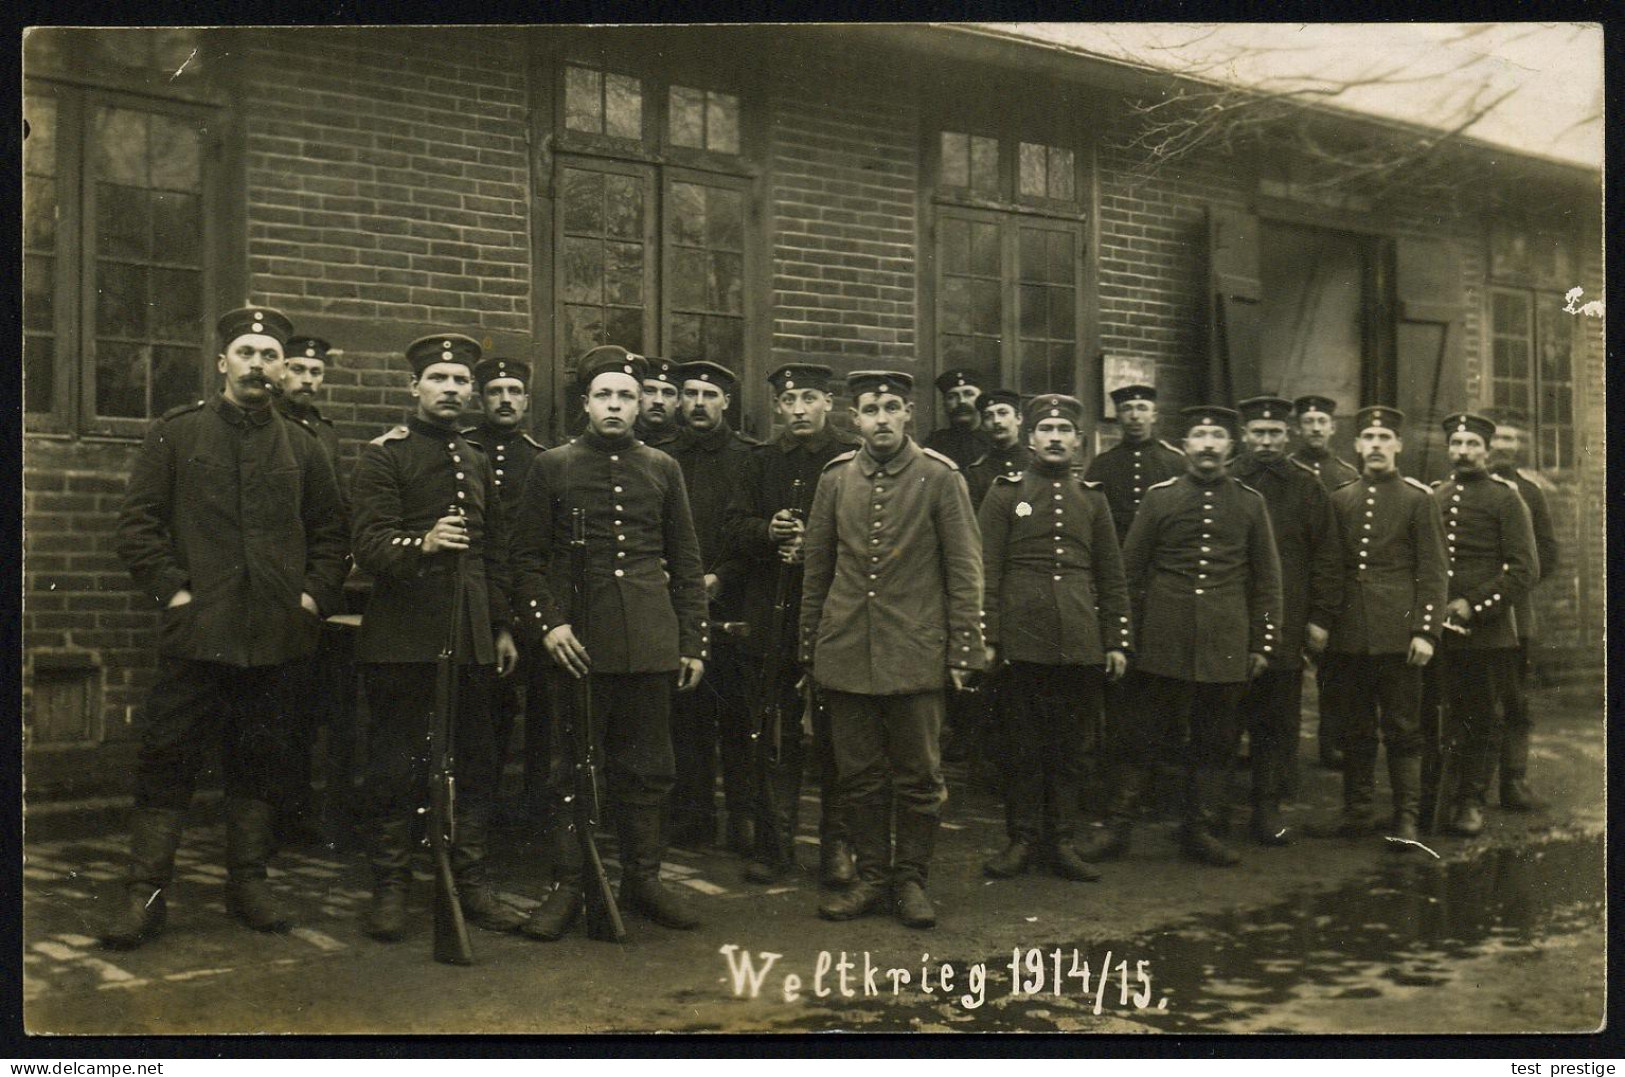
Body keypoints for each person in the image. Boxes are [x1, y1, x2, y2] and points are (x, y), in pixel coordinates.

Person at [106, 306, 348, 949]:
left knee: (260, 757)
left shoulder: (303, 445)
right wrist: (176, 592)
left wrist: (309, 600)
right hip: (198, 632)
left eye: (271, 356)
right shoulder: (177, 433)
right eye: (247, 353)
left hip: (276, 635)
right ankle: (145, 894)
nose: (259, 366)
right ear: (222, 363)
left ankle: (250, 883)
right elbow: (138, 527)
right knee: (168, 755)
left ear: (283, 368)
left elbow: (332, 534)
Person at [511, 347, 710, 940]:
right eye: (605, 395)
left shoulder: (662, 468)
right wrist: (550, 624)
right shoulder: (552, 466)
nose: (617, 405)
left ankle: (643, 880)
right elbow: (525, 560)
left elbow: (686, 558)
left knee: (649, 767)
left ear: (641, 403)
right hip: (578, 642)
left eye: (627, 395)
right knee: (570, 767)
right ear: (586, 404)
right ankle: (569, 884)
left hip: (650, 638)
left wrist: (693, 640)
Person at [349, 333, 523, 943]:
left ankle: (470, 881)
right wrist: (419, 545)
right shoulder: (384, 456)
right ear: (414, 387)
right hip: (403, 638)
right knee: (396, 763)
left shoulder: (475, 457)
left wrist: (499, 625)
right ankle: (390, 884)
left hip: (472, 635)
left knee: (475, 761)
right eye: (439, 379)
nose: (451, 389)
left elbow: (496, 549)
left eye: (459, 381)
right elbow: (368, 545)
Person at [800, 371, 984, 928]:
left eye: (891, 408)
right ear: (853, 419)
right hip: (847, 650)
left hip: (915, 652)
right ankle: (873, 878)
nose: (880, 418)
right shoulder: (835, 479)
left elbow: (964, 569)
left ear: (908, 414)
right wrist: (811, 649)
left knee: (920, 776)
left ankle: (911, 881)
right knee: (859, 776)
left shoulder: (938, 477)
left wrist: (963, 650)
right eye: (869, 409)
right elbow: (818, 568)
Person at [1081, 406, 1282, 868]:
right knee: (1136, 735)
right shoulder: (1160, 498)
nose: (1208, 444)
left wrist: (1261, 643)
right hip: (1162, 638)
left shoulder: (1250, 502)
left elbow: (1268, 578)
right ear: (1185, 445)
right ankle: (1117, 828)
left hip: (1224, 638)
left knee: (1215, 739)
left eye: (1217, 436)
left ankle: (1200, 830)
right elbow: (1128, 573)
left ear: (1232, 447)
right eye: (1199, 436)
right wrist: (1124, 637)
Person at [978, 394, 1131, 881]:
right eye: (1047, 429)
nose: (1057, 437)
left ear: (1078, 441)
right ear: (1030, 439)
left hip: (1080, 640)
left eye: (1065, 430)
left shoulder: (1093, 498)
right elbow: (986, 569)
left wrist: (1115, 639)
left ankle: (1062, 841)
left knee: (1070, 750)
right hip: (1022, 642)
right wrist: (989, 636)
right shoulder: (1007, 494)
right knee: (1021, 747)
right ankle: (1022, 839)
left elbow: (1111, 574)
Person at [726, 363, 862, 887]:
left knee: (835, 735)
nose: (799, 409)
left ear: (829, 402)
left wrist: (818, 543)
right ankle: (773, 845)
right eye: (789, 401)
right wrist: (768, 530)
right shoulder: (760, 463)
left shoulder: (850, 458)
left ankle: (836, 846)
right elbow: (731, 526)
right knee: (770, 734)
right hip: (771, 614)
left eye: (809, 398)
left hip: (834, 616)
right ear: (778, 408)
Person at [1306, 406, 1447, 848]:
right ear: (1357, 446)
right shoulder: (1340, 498)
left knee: (1404, 728)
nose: (1377, 445)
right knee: (1355, 726)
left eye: (1386, 437)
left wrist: (1425, 631)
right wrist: (1323, 622)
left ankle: (1405, 818)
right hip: (1349, 632)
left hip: (1397, 634)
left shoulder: (1418, 499)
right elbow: (1328, 566)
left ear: (1399, 446)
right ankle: (1358, 811)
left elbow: (1433, 571)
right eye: (1369, 438)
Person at [1229, 396, 1342, 845]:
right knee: (1226, 714)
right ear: (1245, 436)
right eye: (1258, 432)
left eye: (1275, 433)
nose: (1266, 441)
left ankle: (1268, 809)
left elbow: (1328, 555)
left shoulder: (1306, 486)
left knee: (1277, 720)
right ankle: (1215, 809)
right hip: (1231, 615)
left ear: (1287, 435)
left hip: (1287, 617)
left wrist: (1320, 617)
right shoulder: (1230, 480)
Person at [1428, 412, 1539, 837]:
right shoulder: (1435, 496)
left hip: (1487, 632)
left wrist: (1473, 605)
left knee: (1480, 717)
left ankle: (1470, 802)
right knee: (1437, 717)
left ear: (1487, 452)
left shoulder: (1506, 498)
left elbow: (1524, 569)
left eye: (1472, 445)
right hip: (1437, 627)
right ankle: (1435, 800)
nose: (1463, 453)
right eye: (1456, 445)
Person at [665, 360, 758, 851]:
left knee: (738, 714)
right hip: (678, 604)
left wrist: (722, 576)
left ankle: (741, 815)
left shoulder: (749, 458)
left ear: (727, 403)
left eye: (710, 395)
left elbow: (751, 530)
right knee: (687, 713)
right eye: (691, 394)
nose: (699, 403)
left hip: (733, 601)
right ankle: (694, 813)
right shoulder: (662, 457)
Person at [271, 334, 355, 849]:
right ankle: (265, 818)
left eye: (316, 372)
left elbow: (331, 509)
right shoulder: (267, 425)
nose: (306, 379)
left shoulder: (325, 433)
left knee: (303, 702)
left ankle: (294, 811)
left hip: (311, 583)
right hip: (268, 576)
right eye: (298, 368)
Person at [464, 357, 551, 827]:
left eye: (513, 391)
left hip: (529, 598)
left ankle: (535, 810)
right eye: (495, 391)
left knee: (542, 709)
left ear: (526, 401)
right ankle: (482, 808)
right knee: (485, 710)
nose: (504, 399)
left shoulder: (540, 458)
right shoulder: (465, 450)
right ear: (481, 398)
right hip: (481, 597)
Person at [1486, 408, 1559, 810]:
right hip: (1469, 612)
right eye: (1497, 438)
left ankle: (1513, 781)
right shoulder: (1455, 489)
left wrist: (1516, 586)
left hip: (1517, 614)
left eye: (1511, 440)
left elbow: (1548, 552)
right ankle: (1466, 789)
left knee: (1515, 698)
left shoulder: (1530, 492)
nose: (1503, 447)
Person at [1290, 394, 1362, 770]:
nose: (1315, 428)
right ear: (1297, 428)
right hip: (1293, 583)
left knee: (1335, 671)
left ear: (1333, 428)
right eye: (1308, 422)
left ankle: (1332, 742)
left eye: (1322, 421)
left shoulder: (1346, 474)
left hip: (1333, 584)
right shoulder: (1286, 472)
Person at [1084, 384, 1187, 546]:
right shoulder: (1102, 463)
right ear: (1118, 416)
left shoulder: (1176, 461)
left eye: (1142, 408)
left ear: (1154, 416)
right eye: (1126, 408)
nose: (1134, 415)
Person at [964, 388, 1029, 510]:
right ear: (983, 425)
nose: (996, 421)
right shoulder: (977, 472)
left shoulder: (1036, 460)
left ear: (1019, 418)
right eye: (988, 416)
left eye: (1003, 413)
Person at [922, 368, 992, 470]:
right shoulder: (934, 444)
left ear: (982, 400)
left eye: (969, 394)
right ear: (945, 404)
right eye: (952, 397)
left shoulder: (995, 442)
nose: (961, 401)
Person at [634, 355, 683, 451]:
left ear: (679, 401)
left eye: (668, 393)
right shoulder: (621, 438)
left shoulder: (688, 444)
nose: (658, 401)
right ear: (637, 395)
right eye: (649, 391)